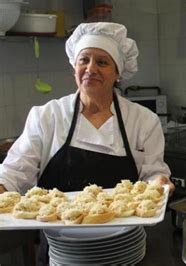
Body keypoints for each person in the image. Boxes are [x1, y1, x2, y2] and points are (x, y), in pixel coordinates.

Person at [0, 22, 174, 264]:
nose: (90, 68)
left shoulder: (143, 120)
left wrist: (160, 183)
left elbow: (153, 175)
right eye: (84, 60)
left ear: (117, 73)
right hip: (63, 252)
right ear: (74, 68)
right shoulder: (47, 116)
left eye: (102, 62)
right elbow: (13, 173)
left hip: (125, 250)